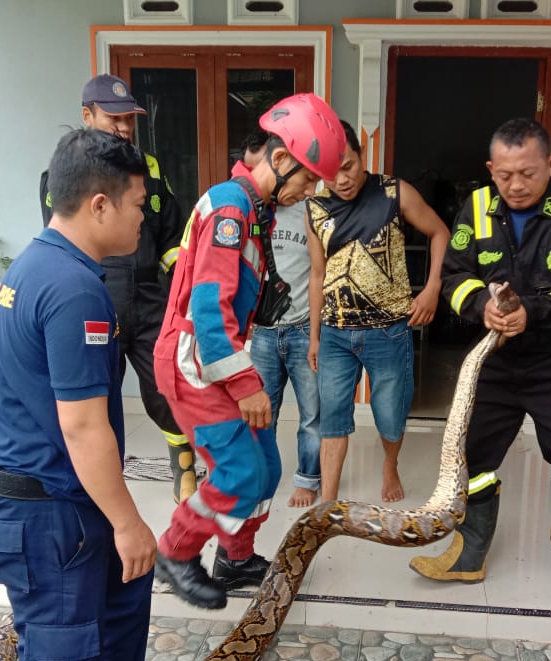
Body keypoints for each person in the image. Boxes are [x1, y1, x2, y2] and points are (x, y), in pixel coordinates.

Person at [0, 129, 159, 661]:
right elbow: (83, 428)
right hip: (44, 516)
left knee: (130, 584)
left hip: (50, 499)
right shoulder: (78, 292)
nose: (144, 217)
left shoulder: (37, 263)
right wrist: (128, 520)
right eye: (138, 203)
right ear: (99, 205)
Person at [153, 94, 346, 608]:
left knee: (265, 465)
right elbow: (211, 311)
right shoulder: (231, 210)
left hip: (218, 356)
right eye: (307, 180)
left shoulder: (254, 208)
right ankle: (174, 554)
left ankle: (235, 558)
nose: (309, 192)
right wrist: (246, 387)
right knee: (239, 470)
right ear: (280, 161)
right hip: (196, 362)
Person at [410, 118, 551, 587]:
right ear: (491, 169)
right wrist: (483, 308)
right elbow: (453, 277)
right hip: (492, 361)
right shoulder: (473, 208)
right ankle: (469, 549)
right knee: (469, 455)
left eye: (529, 173)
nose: (516, 185)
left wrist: (532, 312)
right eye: (505, 175)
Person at [40, 74, 196, 503]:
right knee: (95, 396)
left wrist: (185, 287)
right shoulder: (64, 174)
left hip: (149, 298)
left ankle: (183, 468)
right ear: (87, 115)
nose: (124, 127)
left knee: (167, 386)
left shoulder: (151, 170)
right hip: (95, 296)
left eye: (130, 118)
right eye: (115, 118)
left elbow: (170, 236)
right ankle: (96, 481)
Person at [306, 121, 449, 504]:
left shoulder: (394, 192)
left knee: (390, 414)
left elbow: (440, 233)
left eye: (348, 166)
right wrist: (315, 336)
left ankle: (390, 464)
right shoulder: (315, 208)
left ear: (361, 152)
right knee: (333, 417)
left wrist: (432, 287)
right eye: (331, 172)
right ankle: (328, 503)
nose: (342, 179)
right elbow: (318, 274)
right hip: (335, 334)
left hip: (388, 332)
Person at [241, 130, 321, 508]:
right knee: (261, 410)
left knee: (311, 415)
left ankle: (307, 479)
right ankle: (259, 473)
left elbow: (318, 274)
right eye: (306, 180)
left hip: (304, 328)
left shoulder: (309, 210)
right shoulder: (255, 212)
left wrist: (318, 336)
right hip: (264, 333)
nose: (307, 189)